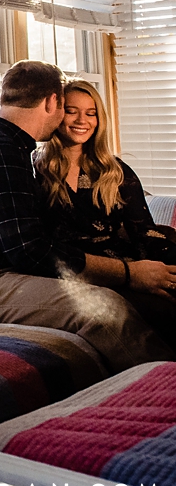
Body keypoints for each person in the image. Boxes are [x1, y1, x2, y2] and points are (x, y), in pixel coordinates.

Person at [0, 60, 174, 372]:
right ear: (52, 101)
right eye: (68, 109)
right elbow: (31, 251)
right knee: (106, 310)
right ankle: (163, 391)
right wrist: (127, 273)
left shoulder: (2, 144)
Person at [34, 79, 176, 349]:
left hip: (128, 264)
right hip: (76, 276)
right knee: (156, 311)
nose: (81, 120)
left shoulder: (115, 170)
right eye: (72, 110)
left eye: (91, 113)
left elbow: (145, 232)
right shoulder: (34, 170)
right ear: (56, 113)